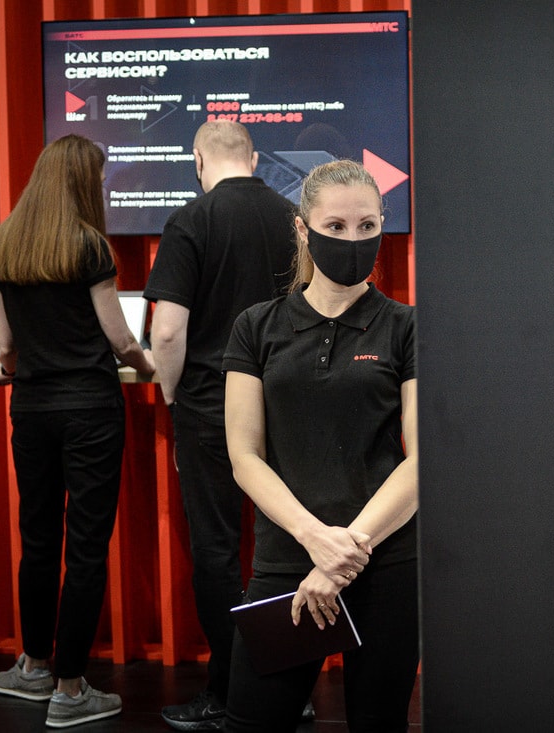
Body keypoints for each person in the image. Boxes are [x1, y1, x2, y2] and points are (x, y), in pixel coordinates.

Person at [222, 159, 419, 732]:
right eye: (335, 226)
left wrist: (343, 557)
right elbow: (244, 456)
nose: (352, 240)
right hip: (288, 559)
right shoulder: (256, 327)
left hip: (383, 561)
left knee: (378, 723)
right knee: (252, 722)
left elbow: (423, 459)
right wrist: (315, 540)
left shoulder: (407, 327)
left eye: (367, 226)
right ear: (303, 229)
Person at [0, 134, 156, 728]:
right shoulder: (89, 247)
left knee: (38, 540)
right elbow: (120, 339)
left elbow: (6, 345)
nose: (103, 187)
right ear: (84, 181)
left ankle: (33, 667)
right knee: (85, 547)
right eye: (100, 179)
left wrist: (7, 370)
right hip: (90, 412)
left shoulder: (1, 244)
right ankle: (71, 688)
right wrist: (149, 366)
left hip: (31, 410)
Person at [143, 119, 299, 730]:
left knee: (216, 553)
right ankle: (288, 689)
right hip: (284, 408)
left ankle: (232, 693)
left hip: (210, 408)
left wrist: (173, 396)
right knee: (283, 548)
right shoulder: (293, 216)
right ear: (254, 159)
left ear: (198, 162)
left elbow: (167, 332)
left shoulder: (191, 220)